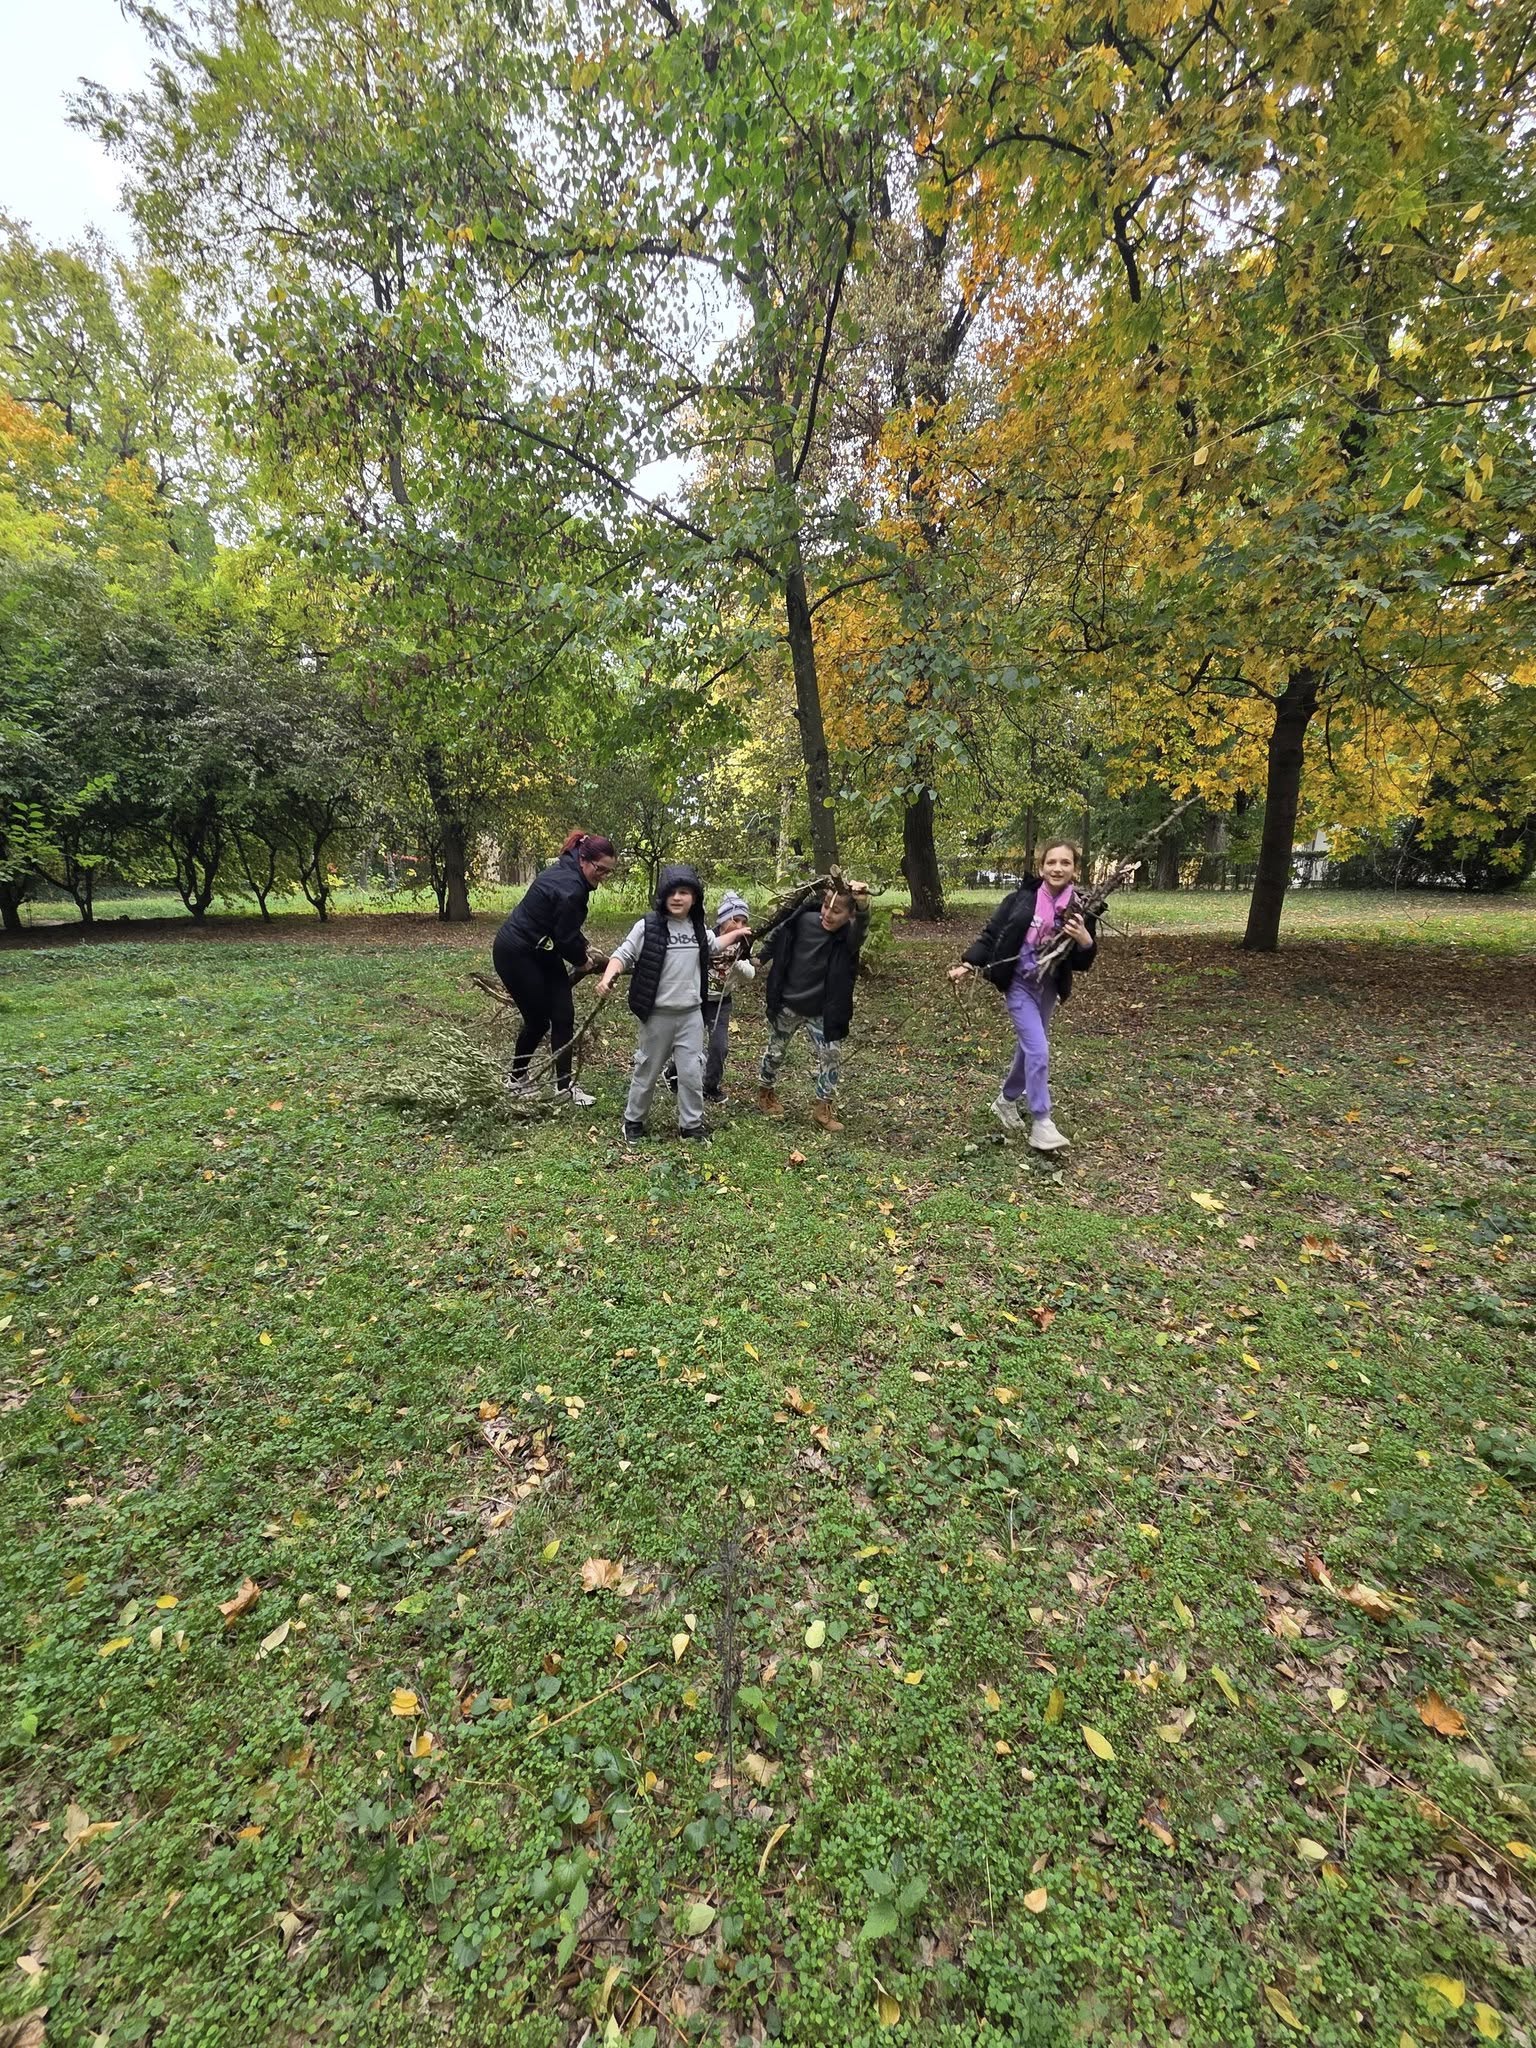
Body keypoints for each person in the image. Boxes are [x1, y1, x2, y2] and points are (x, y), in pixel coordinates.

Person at [948, 840, 1097, 1152]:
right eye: (1051, 862)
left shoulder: (1081, 907)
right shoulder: (1021, 899)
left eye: (1065, 863)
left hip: (1049, 985)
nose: (1057, 868)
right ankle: (1042, 1122)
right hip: (1018, 984)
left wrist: (1085, 938)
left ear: (1075, 869)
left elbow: (1082, 962)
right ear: (1041, 867)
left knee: (1030, 1047)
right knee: (1038, 1049)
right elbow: (992, 933)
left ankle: (1006, 1099)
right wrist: (968, 963)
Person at [596, 865, 732, 1142]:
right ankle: (634, 1120)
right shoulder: (647, 926)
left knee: (691, 1072)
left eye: (684, 892)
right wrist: (608, 977)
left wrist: (740, 934)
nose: (677, 898)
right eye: (672, 892)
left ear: (694, 897)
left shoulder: (697, 928)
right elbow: (623, 954)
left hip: (691, 1015)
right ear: (662, 896)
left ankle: (691, 1125)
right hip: (657, 1016)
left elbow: (715, 944)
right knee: (647, 1069)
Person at [491, 830, 617, 1104]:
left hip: (543, 949)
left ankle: (564, 1087)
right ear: (583, 859)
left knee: (563, 1015)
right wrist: (582, 960)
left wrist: (584, 946)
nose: (603, 876)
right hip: (515, 953)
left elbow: (562, 925)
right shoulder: (572, 888)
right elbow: (565, 938)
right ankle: (516, 1079)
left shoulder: (571, 872)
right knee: (537, 1021)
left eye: (608, 872)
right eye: (600, 869)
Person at [756, 879, 869, 1132]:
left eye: (836, 911)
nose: (827, 914)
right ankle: (765, 1091)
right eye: (826, 907)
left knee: (831, 1055)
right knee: (775, 1051)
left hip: (822, 1011)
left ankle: (822, 1107)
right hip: (788, 1004)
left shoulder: (847, 938)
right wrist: (760, 958)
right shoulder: (804, 921)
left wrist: (863, 906)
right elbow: (779, 934)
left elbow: (861, 929)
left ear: (849, 916)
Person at [664, 891, 756, 1103]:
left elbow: (750, 973)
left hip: (722, 1003)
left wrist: (737, 962)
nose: (740, 925)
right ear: (722, 920)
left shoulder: (743, 944)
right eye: (735, 920)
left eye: (744, 921)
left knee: (719, 1046)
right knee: (688, 1042)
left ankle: (710, 1086)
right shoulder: (707, 938)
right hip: (697, 1000)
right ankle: (673, 1072)